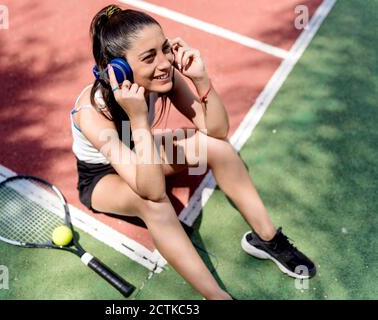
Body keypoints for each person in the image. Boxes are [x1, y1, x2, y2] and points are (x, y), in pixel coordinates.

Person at [71, 4, 316, 300]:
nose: (164, 63)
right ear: (118, 68)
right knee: (154, 205)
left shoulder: (163, 76)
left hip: (141, 148)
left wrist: (201, 80)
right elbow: (151, 190)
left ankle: (267, 239)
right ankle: (216, 296)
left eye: (165, 49)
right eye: (149, 57)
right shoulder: (91, 112)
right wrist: (137, 118)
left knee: (219, 150)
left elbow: (217, 131)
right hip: (102, 178)